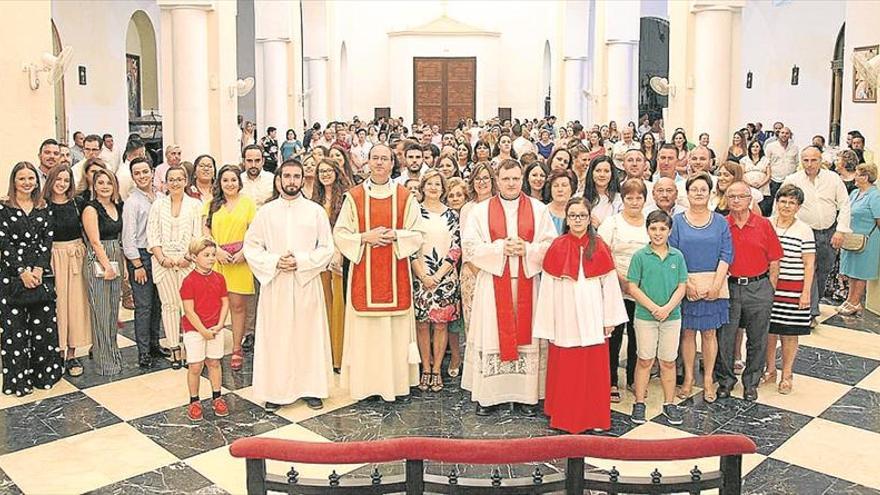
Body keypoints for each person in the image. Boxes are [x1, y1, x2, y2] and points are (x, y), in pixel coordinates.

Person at [461, 159, 557, 417]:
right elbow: (469, 247)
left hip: (528, 282)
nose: (511, 184)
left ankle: (526, 397)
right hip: (492, 285)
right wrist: (500, 248)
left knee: (528, 340)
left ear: (522, 179)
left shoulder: (538, 209)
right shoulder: (480, 211)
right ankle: (489, 396)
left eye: (516, 178)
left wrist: (527, 249)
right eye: (506, 179)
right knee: (491, 336)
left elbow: (551, 245)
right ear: (498, 180)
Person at [334, 143, 425, 401]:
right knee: (366, 334)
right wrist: (365, 237)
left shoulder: (405, 196)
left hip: (396, 274)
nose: (380, 163)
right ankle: (366, 386)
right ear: (368, 161)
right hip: (364, 273)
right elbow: (340, 234)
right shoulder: (354, 196)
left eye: (385, 159)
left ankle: (395, 386)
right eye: (375, 158)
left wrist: (395, 235)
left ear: (393, 163)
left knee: (393, 333)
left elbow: (418, 234)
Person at [244, 160, 334, 411]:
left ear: (303, 179)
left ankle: (311, 388)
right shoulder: (266, 212)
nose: (292, 181)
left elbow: (327, 247)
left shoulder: (315, 211)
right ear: (279, 179)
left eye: (297, 176)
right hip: (277, 284)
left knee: (308, 336)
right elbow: (251, 247)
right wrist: (274, 262)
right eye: (287, 176)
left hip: (306, 282)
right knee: (278, 337)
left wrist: (302, 261)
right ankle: (276, 391)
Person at [533, 197, 627, 433]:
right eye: (573, 215)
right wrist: (548, 324)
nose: (577, 220)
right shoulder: (557, 246)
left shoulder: (600, 246)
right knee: (567, 370)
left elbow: (610, 286)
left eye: (582, 215)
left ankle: (594, 417)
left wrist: (610, 320)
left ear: (589, 218)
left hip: (594, 316)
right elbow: (547, 290)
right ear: (567, 218)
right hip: (565, 319)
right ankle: (564, 416)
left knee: (593, 370)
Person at [0, 162, 63, 395]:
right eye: (22, 179)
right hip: (12, 278)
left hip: (40, 276)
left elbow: (47, 241)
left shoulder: (43, 207)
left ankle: (44, 375)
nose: (27, 183)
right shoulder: (3, 209)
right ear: (14, 181)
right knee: (14, 332)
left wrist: (37, 269)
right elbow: (4, 243)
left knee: (43, 330)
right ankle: (18, 381)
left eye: (31, 178)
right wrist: (22, 272)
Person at [716, 181, 783, 402]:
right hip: (730, 287)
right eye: (731, 196)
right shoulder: (721, 225)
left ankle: (751, 382)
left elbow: (775, 260)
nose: (736, 200)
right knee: (725, 337)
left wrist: (770, 288)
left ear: (749, 199)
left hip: (759, 287)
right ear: (726, 199)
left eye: (741, 196)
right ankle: (725, 381)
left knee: (757, 338)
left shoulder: (764, 225)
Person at [669, 173, 733, 403]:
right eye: (694, 189)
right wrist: (687, 284)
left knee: (709, 334)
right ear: (687, 193)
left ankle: (707, 381)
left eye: (703, 189)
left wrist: (716, 285)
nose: (698, 193)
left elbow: (727, 253)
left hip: (714, 285)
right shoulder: (677, 221)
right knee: (687, 334)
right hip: (685, 285)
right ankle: (687, 378)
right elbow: (673, 254)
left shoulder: (720, 222)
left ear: (710, 193)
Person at [627, 210, 689, 425]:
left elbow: (682, 286)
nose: (658, 233)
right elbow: (632, 287)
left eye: (662, 228)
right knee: (645, 359)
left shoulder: (677, 256)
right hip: (646, 316)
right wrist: (654, 308)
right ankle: (639, 402)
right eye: (653, 228)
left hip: (672, 317)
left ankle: (669, 403)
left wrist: (668, 308)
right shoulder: (640, 256)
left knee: (668, 361)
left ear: (669, 230)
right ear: (647, 230)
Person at [781, 146, 851, 324]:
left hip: (829, 232)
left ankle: (813, 305)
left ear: (821, 160)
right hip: (804, 233)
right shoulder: (793, 180)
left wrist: (841, 230)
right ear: (800, 161)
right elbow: (781, 203)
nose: (809, 164)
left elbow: (844, 204)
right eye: (806, 160)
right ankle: (810, 312)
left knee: (823, 271)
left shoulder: (833, 179)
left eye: (813, 160)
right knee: (807, 270)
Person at [598, 179, 649, 402]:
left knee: (639, 336)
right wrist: (621, 280)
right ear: (623, 199)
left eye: (639, 197)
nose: (634, 202)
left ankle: (633, 378)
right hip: (615, 287)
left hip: (643, 290)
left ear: (645, 200)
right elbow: (602, 254)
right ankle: (610, 381)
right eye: (630, 197)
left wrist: (637, 284)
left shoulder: (650, 222)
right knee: (615, 336)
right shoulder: (612, 223)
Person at [148, 166, 203, 368]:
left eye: (180, 179)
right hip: (164, 264)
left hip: (188, 264)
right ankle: (174, 348)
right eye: (171, 179)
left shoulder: (195, 205)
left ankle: (191, 349)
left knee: (188, 308)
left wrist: (188, 257)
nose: (175, 183)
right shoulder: (157, 205)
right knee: (169, 306)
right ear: (166, 182)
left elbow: (198, 236)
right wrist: (162, 258)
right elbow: (152, 235)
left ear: (186, 181)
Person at [203, 165, 257, 372]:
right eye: (225, 180)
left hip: (240, 260)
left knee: (237, 306)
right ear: (220, 183)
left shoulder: (248, 204)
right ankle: (212, 349)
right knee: (213, 307)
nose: (230, 184)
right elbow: (205, 231)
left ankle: (236, 348)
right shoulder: (211, 205)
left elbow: (254, 232)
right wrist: (216, 251)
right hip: (217, 261)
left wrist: (244, 251)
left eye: (233, 180)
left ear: (239, 182)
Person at [412, 170, 461, 392]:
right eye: (429, 184)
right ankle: (425, 368)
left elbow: (455, 248)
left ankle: (437, 369)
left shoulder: (452, 215)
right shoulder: (413, 213)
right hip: (420, 276)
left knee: (441, 325)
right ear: (423, 187)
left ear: (443, 189)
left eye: (438, 184)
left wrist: (438, 276)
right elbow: (410, 247)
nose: (433, 188)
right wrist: (423, 275)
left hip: (445, 279)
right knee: (422, 325)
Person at [764, 185, 815, 394]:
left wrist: (806, 292)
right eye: (783, 201)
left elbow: (809, 264)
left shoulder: (804, 229)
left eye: (792, 202)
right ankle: (770, 370)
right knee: (767, 331)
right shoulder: (767, 224)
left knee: (789, 333)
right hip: (768, 287)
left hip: (793, 289)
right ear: (777, 202)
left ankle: (787, 374)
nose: (786, 206)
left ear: (798, 206)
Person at [43, 165, 91, 377]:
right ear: (51, 181)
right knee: (57, 306)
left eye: (66, 180)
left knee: (75, 306)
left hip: (76, 257)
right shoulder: (42, 206)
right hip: (54, 258)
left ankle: (72, 353)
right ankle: (57, 351)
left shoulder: (77, 204)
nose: (62, 184)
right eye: (58, 179)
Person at [122, 158, 168, 368]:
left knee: (158, 303)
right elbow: (128, 236)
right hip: (141, 257)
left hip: (158, 255)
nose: (141, 176)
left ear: (151, 172)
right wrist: (137, 264)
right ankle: (143, 351)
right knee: (144, 305)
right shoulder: (132, 202)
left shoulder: (160, 197)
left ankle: (154, 343)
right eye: (137, 173)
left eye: (144, 172)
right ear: (133, 177)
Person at [180, 237, 230, 421]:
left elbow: (225, 303)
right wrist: (202, 331)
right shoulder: (189, 281)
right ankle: (194, 401)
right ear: (194, 257)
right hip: (195, 330)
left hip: (215, 328)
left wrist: (220, 324)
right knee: (195, 366)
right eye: (206, 255)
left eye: (213, 255)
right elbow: (189, 311)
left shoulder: (220, 278)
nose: (211, 258)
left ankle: (217, 397)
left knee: (214, 363)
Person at [82, 168, 125, 376]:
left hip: (116, 256)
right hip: (99, 260)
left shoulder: (117, 206)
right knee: (101, 311)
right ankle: (103, 359)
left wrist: (121, 264)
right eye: (101, 183)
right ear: (94, 186)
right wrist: (107, 265)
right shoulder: (91, 208)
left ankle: (113, 352)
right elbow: (95, 241)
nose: (105, 186)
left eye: (109, 182)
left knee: (112, 312)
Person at [313, 158, 351, 373]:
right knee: (323, 304)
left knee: (339, 306)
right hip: (320, 259)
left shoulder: (345, 197)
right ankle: (324, 355)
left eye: (329, 170)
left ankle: (339, 356)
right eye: (321, 171)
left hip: (339, 257)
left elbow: (346, 229)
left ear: (337, 172)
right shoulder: (314, 199)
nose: (325, 174)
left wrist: (338, 252)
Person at [458, 163, 496, 347]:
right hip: (472, 271)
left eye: (485, 178)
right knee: (473, 320)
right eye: (478, 178)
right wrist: (477, 270)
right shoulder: (467, 209)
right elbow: (466, 244)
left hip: (496, 269)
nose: (482, 182)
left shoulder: (500, 205)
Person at [838, 164, 880, 316]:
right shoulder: (855, 193)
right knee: (851, 271)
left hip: (868, 240)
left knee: (861, 272)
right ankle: (849, 299)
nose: (854, 177)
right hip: (851, 238)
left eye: (857, 174)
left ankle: (856, 302)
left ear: (865, 177)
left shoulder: (875, 196)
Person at [584, 156, 622, 227]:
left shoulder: (619, 200)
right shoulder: (580, 197)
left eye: (606, 171)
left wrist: (600, 227)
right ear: (591, 173)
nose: (602, 175)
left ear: (612, 174)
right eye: (598, 171)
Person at [765, 127, 798, 201]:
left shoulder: (795, 147)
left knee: (788, 200)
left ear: (790, 135)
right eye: (782, 133)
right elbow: (766, 163)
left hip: (790, 180)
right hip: (774, 180)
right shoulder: (770, 146)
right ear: (778, 134)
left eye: (787, 133)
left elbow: (797, 163)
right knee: (773, 201)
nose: (784, 135)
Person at [741, 139, 772, 216]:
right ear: (750, 148)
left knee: (762, 209)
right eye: (753, 146)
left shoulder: (765, 160)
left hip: (763, 187)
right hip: (748, 187)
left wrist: (761, 184)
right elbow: (741, 174)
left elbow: (769, 175)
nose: (755, 148)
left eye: (757, 146)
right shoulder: (744, 160)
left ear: (760, 148)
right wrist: (750, 184)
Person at [545, 169, 577, 234]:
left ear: (572, 188)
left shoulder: (579, 212)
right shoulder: (542, 212)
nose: (560, 190)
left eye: (564, 185)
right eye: (555, 186)